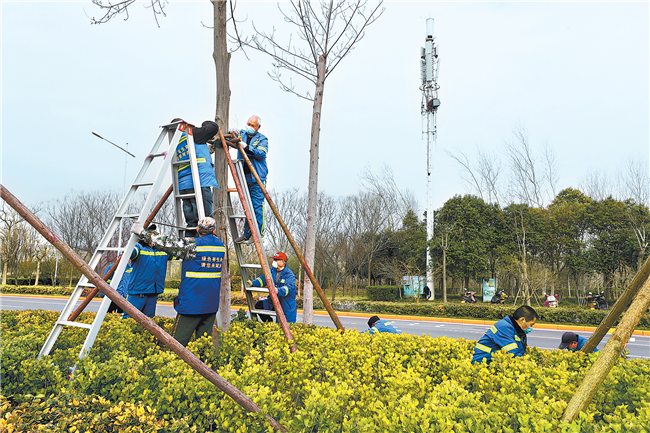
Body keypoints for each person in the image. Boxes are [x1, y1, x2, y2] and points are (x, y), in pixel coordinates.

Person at [131, 217, 226, 346]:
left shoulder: (192, 246)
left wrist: (142, 233)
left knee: (177, 345)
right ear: (214, 231)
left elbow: (166, 244)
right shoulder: (221, 246)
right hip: (211, 304)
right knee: (204, 345)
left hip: (192, 304)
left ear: (198, 229)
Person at [173, 118, 220, 237]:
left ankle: (189, 249)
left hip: (183, 185)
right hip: (200, 182)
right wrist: (205, 124)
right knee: (206, 222)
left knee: (192, 223)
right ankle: (208, 250)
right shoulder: (192, 133)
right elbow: (213, 127)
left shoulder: (175, 140)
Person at [123, 224, 172, 319]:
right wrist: (133, 238)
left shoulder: (162, 250)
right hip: (137, 294)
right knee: (128, 321)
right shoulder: (139, 248)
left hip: (153, 294)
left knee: (149, 323)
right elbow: (130, 252)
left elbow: (177, 253)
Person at [233, 115, 268, 243]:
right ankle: (247, 233)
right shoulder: (242, 134)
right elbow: (232, 141)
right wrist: (231, 133)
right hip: (243, 176)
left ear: (258, 127)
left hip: (257, 177)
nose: (250, 127)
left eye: (253, 125)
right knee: (247, 206)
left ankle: (257, 233)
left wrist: (246, 147)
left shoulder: (262, 139)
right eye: (248, 124)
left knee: (257, 206)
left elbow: (261, 154)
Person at [472, 305, 539, 364]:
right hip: (483, 364)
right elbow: (513, 353)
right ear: (522, 320)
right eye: (531, 324)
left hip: (493, 362)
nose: (531, 328)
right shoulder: (504, 327)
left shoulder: (517, 330)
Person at [248, 251, 296, 323]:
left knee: (284, 325)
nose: (274, 262)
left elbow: (289, 287)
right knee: (259, 305)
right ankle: (270, 324)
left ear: (283, 262)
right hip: (272, 301)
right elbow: (263, 279)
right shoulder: (273, 271)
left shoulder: (289, 275)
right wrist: (253, 283)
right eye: (274, 260)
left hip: (285, 305)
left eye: (276, 260)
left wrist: (278, 291)